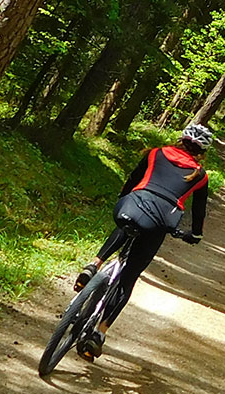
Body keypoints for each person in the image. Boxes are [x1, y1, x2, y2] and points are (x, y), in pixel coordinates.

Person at [74, 123, 214, 360]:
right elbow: (199, 212)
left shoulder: (154, 153)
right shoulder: (200, 176)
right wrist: (195, 235)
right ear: (202, 152)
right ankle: (99, 333)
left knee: (126, 222)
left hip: (130, 207)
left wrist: (123, 199)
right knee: (128, 278)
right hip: (158, 223)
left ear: (181, 139)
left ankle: (94, 264)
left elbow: (132, 180)